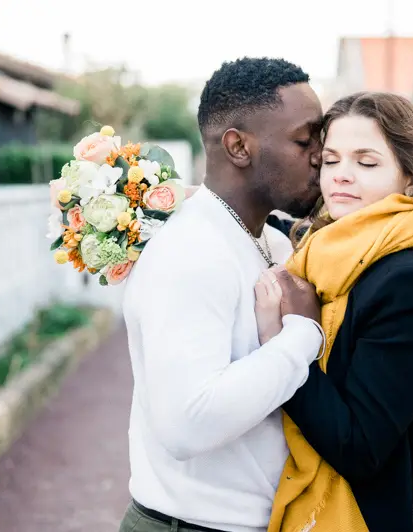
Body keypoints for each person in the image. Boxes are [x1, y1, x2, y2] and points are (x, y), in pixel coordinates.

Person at [255, 92, 413, 532]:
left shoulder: (408, 282)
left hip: (368, 517)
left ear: (412, 180)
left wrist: (286, 343)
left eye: (366, 163)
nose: (342, 176)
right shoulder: (329, 249)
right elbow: (296, 229)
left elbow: (361, 447)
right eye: (331, 160)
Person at [119, 57, 328, 532]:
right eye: (304, 139)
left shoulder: (269, 241)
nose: (321, 153)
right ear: (238, 146)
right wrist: (302, 335)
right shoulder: (190, 252)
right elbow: (186, 423)